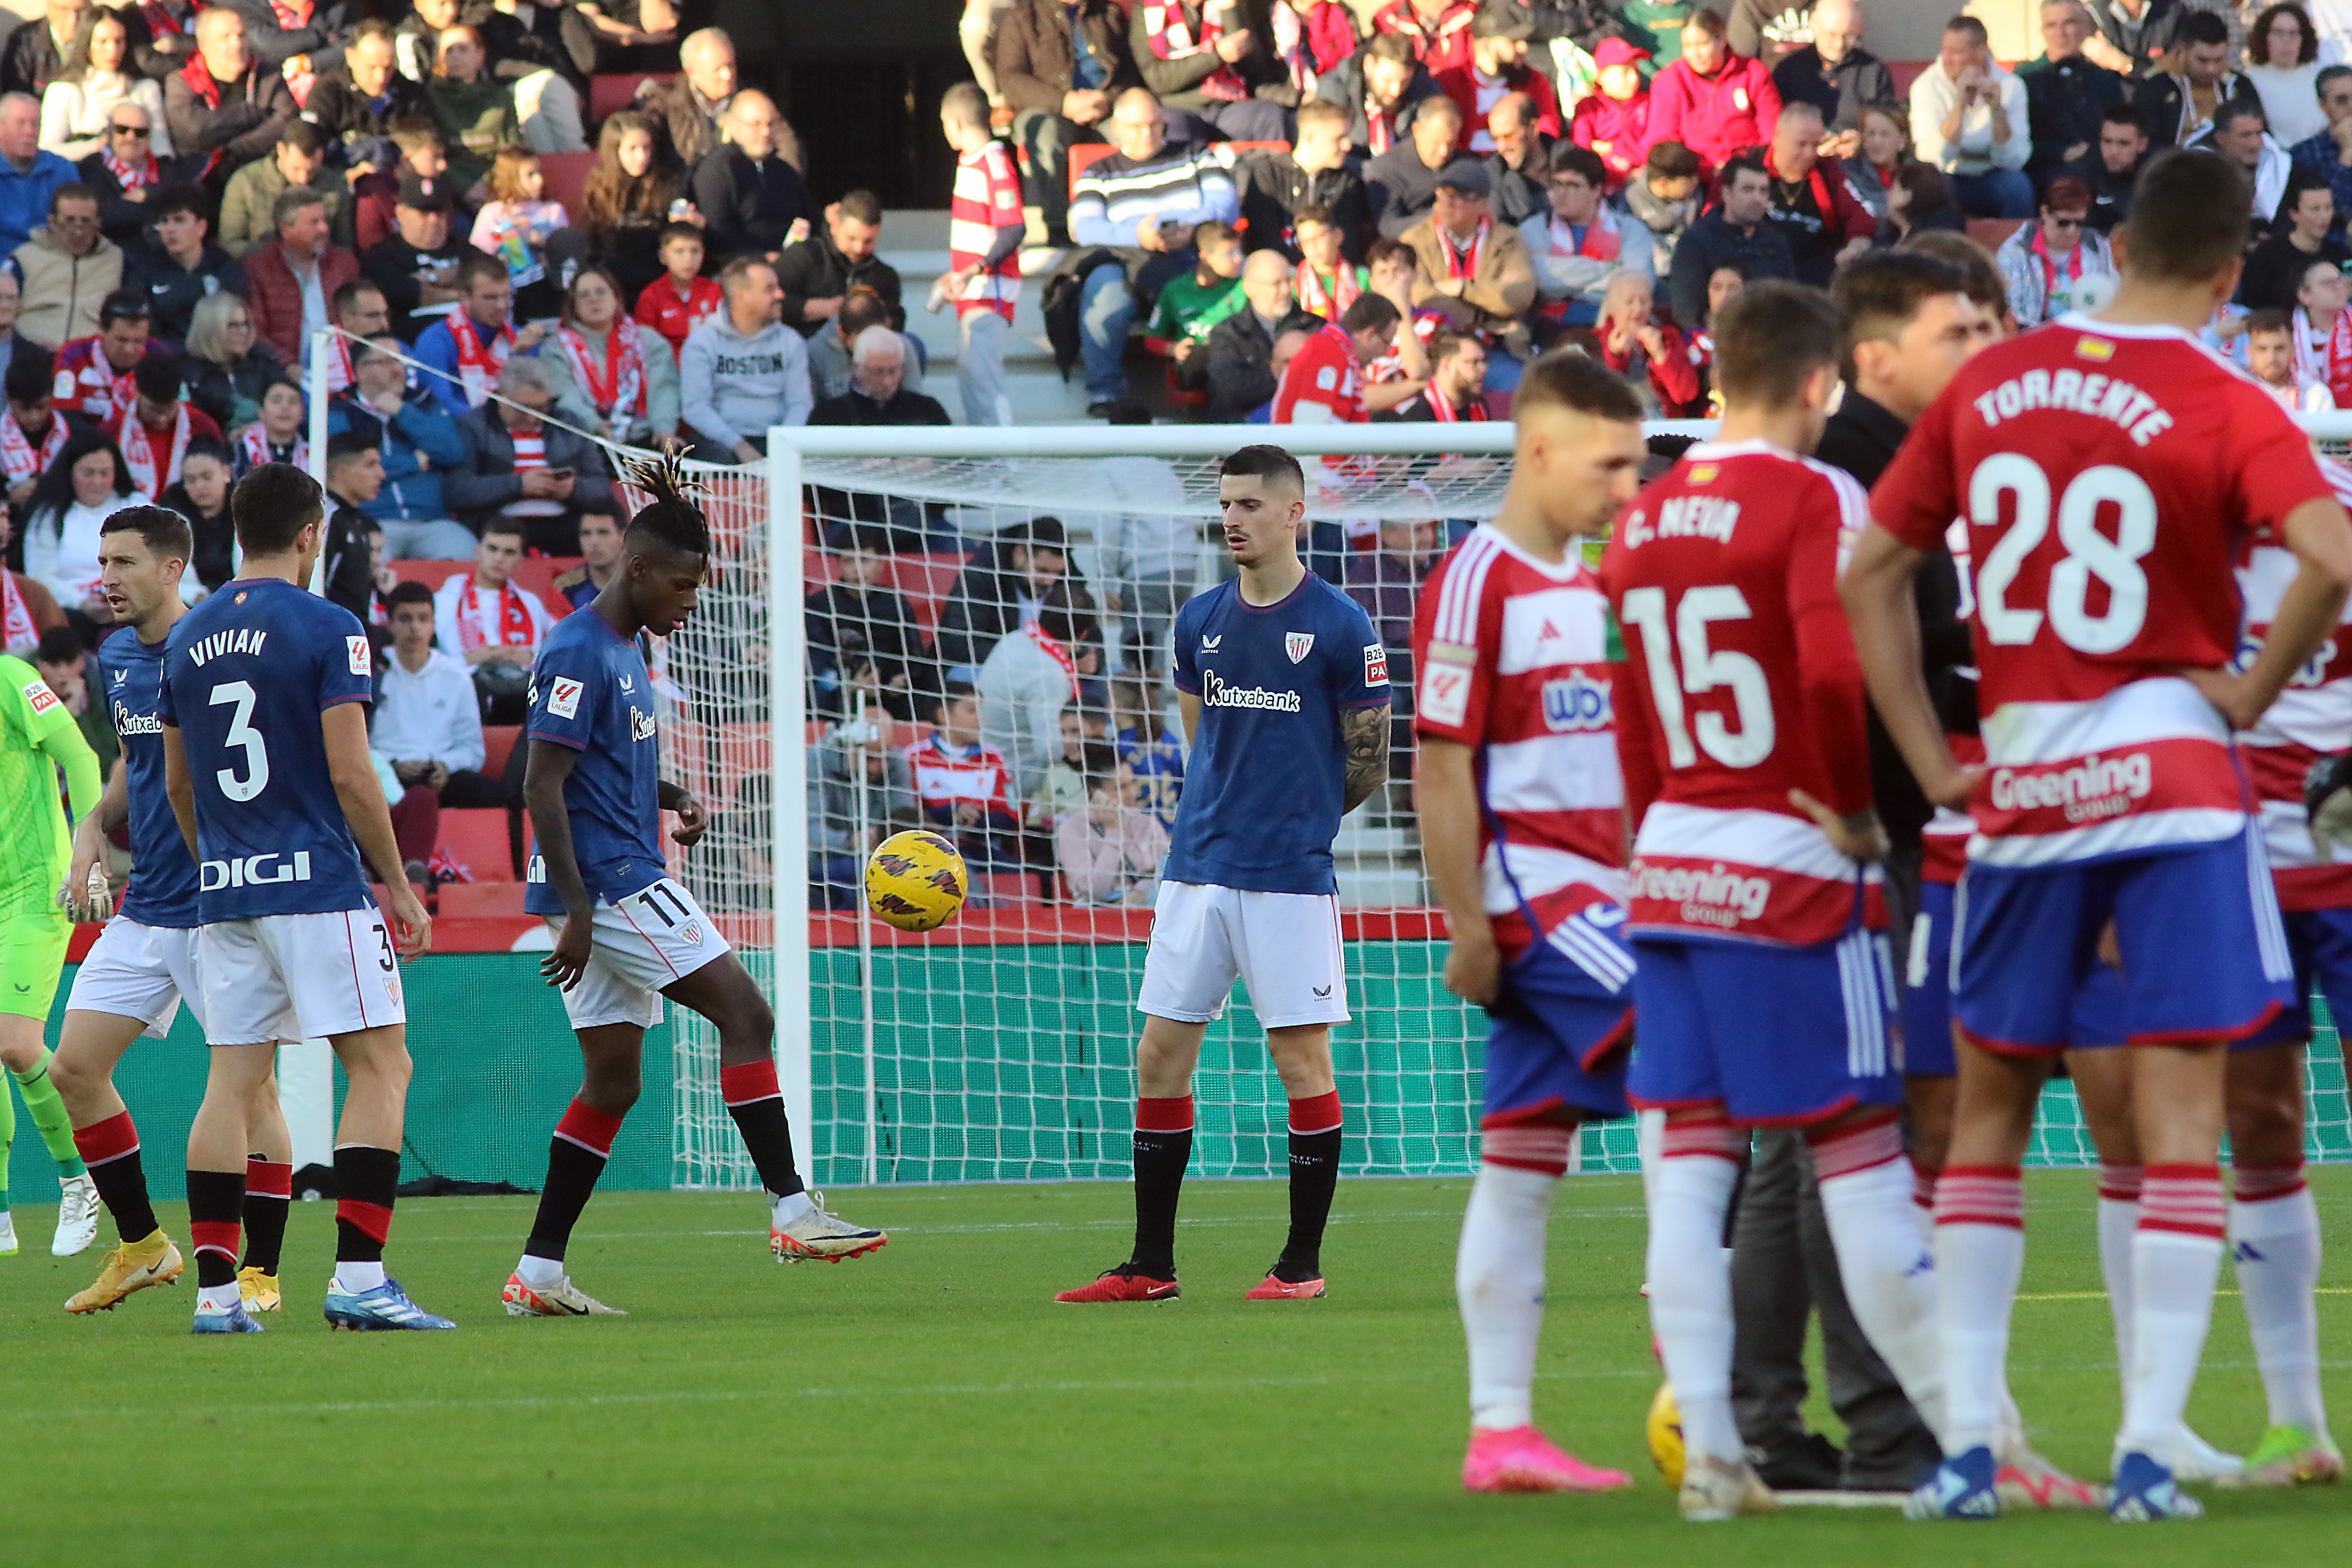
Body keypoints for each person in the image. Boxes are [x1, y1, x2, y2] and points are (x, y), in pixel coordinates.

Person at [1848, 147, 2352, 1519]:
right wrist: (2247, 689)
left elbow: (1869, 571)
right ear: (2233, 264)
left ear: (2116, 243)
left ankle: (1965, 1456)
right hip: (2176, 789)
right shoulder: (2224, 394)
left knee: (1990, 1119)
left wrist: (1925, 761)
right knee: (2182, 1116)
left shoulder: (1992, 384)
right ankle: (2145, 1450)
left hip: (2019, 790)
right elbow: (2333, 557)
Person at [1599, 281, 1947, 1522]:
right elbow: (1832, 660)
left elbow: (1630, 706)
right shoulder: (1816, 494)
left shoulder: (1643, 516)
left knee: (1695, 1172)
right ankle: (1960, 1442)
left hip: (1674, 862)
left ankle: (1722, 1462)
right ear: (1818, 384)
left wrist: (1654, 838)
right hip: (1790, 866)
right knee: (1860, 1157)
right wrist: (1847, 807)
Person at [1055, 443, 1386, 1304]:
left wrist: (1296, 818)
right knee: (1159, 1056)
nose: (1231, 519)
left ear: (1292, 514)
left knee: (1300, 1060)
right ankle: (1151, 1265)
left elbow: (1370, 764)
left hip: (1287, 877)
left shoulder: (1345, 626)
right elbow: (1202, 736)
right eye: (1225, 505)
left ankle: (1300, 1267)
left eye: (1247, 505)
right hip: (1195, 869)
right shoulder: (1200, 618)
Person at [1402, 349, 1644, 1492]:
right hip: (1540, 897)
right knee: (1698, 1042)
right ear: (1539, 450)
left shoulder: (1594, 587)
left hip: (1604, 886)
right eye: (1610, 466)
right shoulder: (1475, 577)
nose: (1625, 489)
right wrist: (1465, 920)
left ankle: (1500, 1430)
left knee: (1520, 1161)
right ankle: (1700, 1357)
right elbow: (1440, 764)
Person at [156, 462, 446, 1332]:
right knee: (382, 1066)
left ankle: (215, 1299)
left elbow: (178, 786)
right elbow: (356, 773)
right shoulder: (330, 625)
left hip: (225, 890)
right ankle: (360, 1281)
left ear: (236, 530)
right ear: (312, 534)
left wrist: (220, 865)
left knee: (232, 1083)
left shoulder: (186, 635)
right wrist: (398, 883)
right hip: (316, 885)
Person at [52, 505, 294, 1308]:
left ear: (170, 569)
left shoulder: (217, 650)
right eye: (103, 561)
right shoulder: (118, 652)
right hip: (145, 902)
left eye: (123, 563)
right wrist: (92, 825)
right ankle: (146, 1246)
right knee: (75, 1069)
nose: (107, 578)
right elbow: (136, 758)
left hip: (217, 909)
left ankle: (260, 1271)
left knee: (251, 1093)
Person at [0, 580, 101, 1257]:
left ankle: (79, 1181)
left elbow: (81, 756)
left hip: (38, 887)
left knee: (13, 1041)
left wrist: (88, 862)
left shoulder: (11, 676)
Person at [1067, 88, 1243, 415]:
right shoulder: (1099, 171)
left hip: (1193, 253)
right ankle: (1105, 392)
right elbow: (1084, 228)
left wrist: (1192, 227)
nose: (1147, 134)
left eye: (1155, 125)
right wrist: (1137, 236)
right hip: (1128, 260)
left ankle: (1232, 381)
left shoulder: (1195, 153)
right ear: (1117, 128)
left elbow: (1226, 204)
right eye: (1136, 127)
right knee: (1103, 291)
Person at [995, 0, 1140, 244]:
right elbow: (1010, 78)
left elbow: (1132, 71)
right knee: (1046, 136)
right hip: (1047, 109)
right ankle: (1059, 227)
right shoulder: (1023, 18)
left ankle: (1128, 221)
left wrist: (1108, 100)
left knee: (1135, 132)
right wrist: (1064, 102)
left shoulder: (1109, 14)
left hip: (1104, 109)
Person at [372, 577, 507, 832]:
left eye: (423, 619)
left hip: (441, 776)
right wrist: (394, 764)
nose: (415, 628)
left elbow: (472, 749)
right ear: (390, 624)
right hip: (386, 776)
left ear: (434, 624)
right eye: (405, 619)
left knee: (499, 795)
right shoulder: (374, 674)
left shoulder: (456, 677)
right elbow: (361, 743)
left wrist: (445, 766)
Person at [446, 357, 616, 557]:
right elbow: (459, 490)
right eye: (523, 409)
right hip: (498, 522)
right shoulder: (472, 426)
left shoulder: (569, 424)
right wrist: (519, 486)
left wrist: (572, 489)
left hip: (564, 520)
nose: (533, 418)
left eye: (541, 408)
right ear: (500, 396)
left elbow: (602, 488)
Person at [938, 81, 1023, 428]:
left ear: (955, 123)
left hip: (991, 292)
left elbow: (1014, 228)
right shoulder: (971, 161)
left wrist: (974, 269)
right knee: (971, 380)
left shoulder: (994, 162)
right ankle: (990, 469)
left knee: (984, 385)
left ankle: (1003, 472)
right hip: (974, 292)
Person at [1402, 161, 1534, 378]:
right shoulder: (1416, 240)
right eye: (1441, 195)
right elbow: (1419, 296)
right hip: (1440, 346)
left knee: (1514, 382)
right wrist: (1479, 315)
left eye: (1455, 199)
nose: (1445, 204)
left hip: (1496, 345)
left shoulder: (1507, 240)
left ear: (1482, 204)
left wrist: (1463, 288)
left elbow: (1519, 294)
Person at [679, 255, 807, 464]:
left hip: (779, 441)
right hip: (720, 443)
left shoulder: (791, 342)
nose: (781, 295)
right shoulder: (702, 342)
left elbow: (800, 403)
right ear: (741, 297)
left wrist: (782, 447)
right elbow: (695, 407)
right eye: (769, 289)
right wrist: (738, 445)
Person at [978, 580, 1098, 804]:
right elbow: (1050, 750)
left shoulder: (1014, 640)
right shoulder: (1050, 676)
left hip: (986, 765)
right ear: (1083, 635)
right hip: (1016, 777)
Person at [21, 427, 146, 628]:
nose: (97, 482)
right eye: (88, 473)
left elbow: (161, 558)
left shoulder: (137, 507)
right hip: (70, 615)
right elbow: (40, 577)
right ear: (70, 472)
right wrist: (82, 603)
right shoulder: (48, 517)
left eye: (104, 473)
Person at [540, 265, 676, 451]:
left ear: (617, 298)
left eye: (601, 292)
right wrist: (593, 424)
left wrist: (664, 428)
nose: (594, 300)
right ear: (573, 306)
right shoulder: (557, 348)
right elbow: (564, 395)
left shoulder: (648, 340)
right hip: (588, 439)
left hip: (646, 436)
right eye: (584, 295)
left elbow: (663, 388)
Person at [162, 7, 295, 194]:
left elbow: (287, 121)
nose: (237, 44)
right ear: (204, 44)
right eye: (226, 37)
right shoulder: (182, 81)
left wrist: (235, 151)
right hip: (200, 180)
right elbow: (194, 129)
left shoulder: (268, 74)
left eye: (242, 35)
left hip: (259, 173)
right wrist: (252, 114)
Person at [433, 517, 552, 722]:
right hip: (464, 685)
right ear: (478, 551)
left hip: (520, 684)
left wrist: (527, 656)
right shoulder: (445, 600)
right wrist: (473, 659)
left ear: (521, 561)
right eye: (493, 549)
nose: (499, 558)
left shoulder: (531, 603)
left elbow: (553, 650)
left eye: (509, 553)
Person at [558, 109, 681, 304]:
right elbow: (591, 239)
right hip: (614, 283)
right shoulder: (599, 189)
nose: (642, 157)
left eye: (646, 148)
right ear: (614, 151)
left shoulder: (666, 185)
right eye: (632, 149)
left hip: (658, 280)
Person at [1129, 0, 1291, 144]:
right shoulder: (1147, 11)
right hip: (1179, 107)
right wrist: (1216, 56)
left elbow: (1252, 68)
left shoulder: (1233, 6)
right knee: (1173, 130)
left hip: (1229, 104)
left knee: (1270, 117)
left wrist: (1230, 11)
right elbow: (1157, 79)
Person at [1667, 150, 1794, 332]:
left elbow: (1789, 305)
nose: (1758, 199)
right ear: (1727, 193)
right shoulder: (1696, 242)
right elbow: (1687, 312)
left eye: (1763, 191)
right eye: (1748, 190)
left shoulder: (1776, 242)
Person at [1647, 8, 1782, 177]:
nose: (1695, 55)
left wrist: (1751, 167)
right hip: (1693, 176)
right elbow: (1665, 140)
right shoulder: (1670, 80)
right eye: (1688, 46)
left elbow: (1772, 130)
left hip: (1749, 172)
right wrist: (1701, 171)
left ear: (1722, 39)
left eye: (1702, 45)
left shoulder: (1753, 73)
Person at [1236, 98, 1369, 263]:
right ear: (1311, 138)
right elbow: (1265, 239)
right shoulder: (1268, 175)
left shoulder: (1347, 182)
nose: (1348, 145)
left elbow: (1348, 243)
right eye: (1339, 138)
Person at [691, 91, 816, 264]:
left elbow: (809, 216)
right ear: (733, 125)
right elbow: (718, 232)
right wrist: (760, 258)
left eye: (770, 124)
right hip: (737, 269)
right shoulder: (718, 170)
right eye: (756, 125)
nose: (766, 132)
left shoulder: (783, 170)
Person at [413, 251, 546, 412]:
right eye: (490, 298)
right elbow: (441, 409)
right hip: (463, 432)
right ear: (465, 297)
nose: (501, 306)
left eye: (506, 296)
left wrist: (519, 359)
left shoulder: (521, 340)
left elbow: (538, 404)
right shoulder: (436, 340)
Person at [1760, 99, 1874, 286]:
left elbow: (1862, 219)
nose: (1809, 154)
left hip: (1814, 274)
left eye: (1815, 145)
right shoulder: (1750, 168)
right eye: (1801, 145)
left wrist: (1856, 245)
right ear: (1777, 137)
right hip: (1758, 267)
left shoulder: (1829, 174)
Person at [241, 187, 359, 367]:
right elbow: (255, 332)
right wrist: (287, 367)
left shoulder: (343, 264)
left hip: (343, 368)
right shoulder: (258, 269)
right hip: (281, 372)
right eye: (314, 222)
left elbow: (359, 320)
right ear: (286, 230)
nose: (324, 228)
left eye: (324, 220)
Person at [907, 681, 1020, 867]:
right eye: (971, 711)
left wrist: (975, 822)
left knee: (1027, 878)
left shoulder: (994, 758)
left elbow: (1010, 814)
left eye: (981, 711)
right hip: (927, 855)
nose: (979, 718)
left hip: (982, 853)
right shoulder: (914, 757)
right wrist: (953, 812)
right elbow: (906, 817)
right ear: (943, 715)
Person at [40, 8, 172, 164]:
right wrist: (95, 146)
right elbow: (47, 151)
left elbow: (161, 149)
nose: (112, 51)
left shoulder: (145, 89)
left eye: (119, 41)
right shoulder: (64, 90)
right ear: (87, 45)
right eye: (103, 42)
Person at [1523, 144, 1633, 330]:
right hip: (1548, 330)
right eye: (1557, 184)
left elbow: (1635, 285)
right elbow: (1542, 279)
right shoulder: (1535, 228)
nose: (1561, 193)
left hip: (1612, 329)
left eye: (1573, 185)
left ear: (1597, 191)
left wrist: (1567, 285)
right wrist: (1609, 271)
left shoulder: (1628, 229)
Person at [2018, 0, 2128, 183]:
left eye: (2069, 23)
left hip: (2102, 172)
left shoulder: (2105, 80)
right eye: (2052, 26)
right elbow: (2015, 145)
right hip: (2044, 174)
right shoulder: (2023, 81)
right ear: (2043, 32)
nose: (2061, 34)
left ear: (2085, 28)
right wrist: (2063, 152)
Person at [1203, 247, 1318, 420]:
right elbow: (1229, 387)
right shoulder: (1228, 333)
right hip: (1243, 429)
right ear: (1249, 288)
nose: (1286, 290)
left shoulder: (1315, 326)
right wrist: (1277, 374)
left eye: (1289, 281)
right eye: (1276, 284)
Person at [123, 184, 244, 345]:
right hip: (166, 359)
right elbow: (143, 326)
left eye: (179, 220)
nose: (170, 229)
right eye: (164, 221)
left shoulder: (224, 267)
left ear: (202, 227)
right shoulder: (144, 269)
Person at [301, 17, 426, 169]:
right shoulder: (327, 93)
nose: (381, 78)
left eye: (388, 68)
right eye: (372, 67)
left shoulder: (410, 93)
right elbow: (312, 150)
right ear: (351, 57)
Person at [1994, 173, 2114, 329]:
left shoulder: (2098, 249)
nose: (2072, 231)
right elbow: (2011, 313)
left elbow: (2111, 299)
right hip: (2034, 337)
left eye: (2079, 223)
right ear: (2045, 213)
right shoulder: (2014, 253)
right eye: (2063, 223)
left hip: (2087, 335)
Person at [358, 170, 465, 343]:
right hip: (412, 344)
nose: (433, 220)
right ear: (400, 213)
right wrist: (457, 286)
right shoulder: (382, 257)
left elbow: (486, 288)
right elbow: (401, 295)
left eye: (439, 213)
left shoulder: (467, 250)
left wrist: (425, 279)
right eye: (424, 213)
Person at [777, 191, 901, 340]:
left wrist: (875, 315)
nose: (859, 248)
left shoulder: (885, 275)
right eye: (852, 238)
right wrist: (823, 309)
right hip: (805, 340)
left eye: (868, 241)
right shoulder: (803, 255)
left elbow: (897, 318)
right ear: (835, 226)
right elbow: (772, 304)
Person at [12, 180, 119, 348]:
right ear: (52, 221)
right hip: (33, 353)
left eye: (87, 222)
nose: (78, 231)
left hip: (90, 359)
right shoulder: (23, 258)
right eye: (69, 221)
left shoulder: (116, 260)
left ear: (98, 224)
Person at [1435, 17, 1560, 158]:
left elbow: (1548, 130)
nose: (1523, 48)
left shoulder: (1534, 82)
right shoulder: (1450, 82)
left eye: (1524, 41)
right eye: (1513, 41)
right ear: (1487, 44)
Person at [217, 117, 341, 258]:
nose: (303, 178)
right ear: (282, 150)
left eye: (312, 171)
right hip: (261, 269)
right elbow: (230, 244)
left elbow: (345, 246)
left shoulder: (334, 185)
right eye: (296, 169)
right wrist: (280, 252)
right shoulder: (246, 182)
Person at [2135, 8, 2259, 148]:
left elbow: (2261, 135)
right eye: (2202, 60)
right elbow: (2146, 144)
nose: (2211, 69)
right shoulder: (2156, 87)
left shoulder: (2240, 86)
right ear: (2183, 50)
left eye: (2218, 60)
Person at [105, 350, 220, 497]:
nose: (162, 419)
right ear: (136, 392)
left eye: (169, 409)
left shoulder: (203, 427)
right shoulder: (115, 430)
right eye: (154, 411)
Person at [1771, 0, 1894, 138]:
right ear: (1814, 25)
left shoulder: (1874, 72)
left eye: (1848, 36)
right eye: (1831, 35)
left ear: (1859, 28)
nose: (1839, 45)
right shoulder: (1788, 71)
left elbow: (1887, 128)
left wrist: (1861, 143)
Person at [469, 143, 565, 318]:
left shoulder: (553, 211)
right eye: (530, 175)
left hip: (548, 285)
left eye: (539, 173)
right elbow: (478, 256)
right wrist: (509, 235)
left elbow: (566, 251)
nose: (540, 181)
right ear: (510, 178)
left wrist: (539, 240)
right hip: (509, 286)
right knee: (509, 231)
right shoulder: (493, 212)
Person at [1317, 27, 1443, 158]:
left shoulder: (1427, 91)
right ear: (1368, 65)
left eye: (1404, 81)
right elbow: (1327, 150)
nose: (1396, 91)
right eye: (1387, 80)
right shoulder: (1334, 89)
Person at [632, 25, 743, 172]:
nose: (728, 75)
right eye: (718, 69)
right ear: (691, 73)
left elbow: (781, 146)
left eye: (731, 66)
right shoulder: (664, 104)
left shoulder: (750, 103)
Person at [422, 24, 516, 197]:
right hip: (450, 189)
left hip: (497, 187)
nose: (456, 57)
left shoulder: (500, 98)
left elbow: (513, 151)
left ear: (480, 55)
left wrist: (495, 187)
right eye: (449, 51)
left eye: (463, 49)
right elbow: (430, 154)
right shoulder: (429, 98)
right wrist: (465, 188)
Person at [1056, 765, 1169, 906]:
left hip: (1147, 903)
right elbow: (1094, 892)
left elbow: (1167, 877)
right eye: (1121, 788)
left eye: (1133, 784)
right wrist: (1114, 830)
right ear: (1095, 794)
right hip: (1100, 912)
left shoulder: (1147, 824)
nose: (1133, 794)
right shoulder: (1073, 828)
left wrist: (1140, 891)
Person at [1364, 90, 1470, 239]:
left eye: (1451, 143)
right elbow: (1389, 227)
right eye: (1436, 143)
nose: (1444, 151)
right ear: (1417, 130)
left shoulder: (1464, 164)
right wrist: (1439, 218)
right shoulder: (1385, 169)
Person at [808, 328, 951, 435]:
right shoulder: (829, 417)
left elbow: (961, 465)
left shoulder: (928, 411)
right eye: (878, 372)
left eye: (893, 371)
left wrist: (931, 465)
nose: (888, 382)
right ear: (858, 368)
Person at [180, 291, 280, 431]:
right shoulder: (190, 373)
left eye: (246, 324)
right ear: (210, 328)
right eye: (233, 325)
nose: (243, 331)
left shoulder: (264, 362)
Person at [2243, 177, 2347, 309]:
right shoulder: (2268, 254)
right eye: (2315, 209)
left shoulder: (2340, 254)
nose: (2324, 216)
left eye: (2328, 208)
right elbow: (2252, 303)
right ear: (2294, 214)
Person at [1569, 36, 1652, 192]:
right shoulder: (1588, 109)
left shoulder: (1649, 104)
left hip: (1643, 184)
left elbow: (1651, 151)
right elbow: (1582, 153)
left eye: (1636, 71)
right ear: (1601, 78)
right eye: (1626, 72)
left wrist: (1610, 148)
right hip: (1600, 187)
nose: (1634, 79)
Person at [75, 100, 161, 246]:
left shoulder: (165, 168)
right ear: (109, 133)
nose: (131, 137)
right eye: (122, 130)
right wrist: (157, 208)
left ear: (149, 138)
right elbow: (104, 217)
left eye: (140, 133)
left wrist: (147, 193)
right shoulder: (91, 168)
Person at [632, 220, 721, 362]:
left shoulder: (714, 291)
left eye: (695, 251)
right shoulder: (651, 296)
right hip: (668, 370)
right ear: (663, 257)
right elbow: (644, 342)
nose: (689, 259)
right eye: (679, 252)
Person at [2246, 3, 2330, 149]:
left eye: (2293, 33)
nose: (2286, 40)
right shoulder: (2249, 80)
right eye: (2278, 33)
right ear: (2265, 37)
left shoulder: (2320, 79)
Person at [0, 90, 74, 254]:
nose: (30, 131)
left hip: (52, 260)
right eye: (20, 123)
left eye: (35, 124)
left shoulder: (61, 169)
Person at [2207, 100, 2296, 235]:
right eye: (2245, 136)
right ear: (2220, 138)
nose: (2255, 144)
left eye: (2259, 134)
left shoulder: (2281, 167)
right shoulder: (2199, 171)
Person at [159, 434, 235, 590]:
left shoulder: (244, 507)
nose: (200, 486)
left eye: (207, 477)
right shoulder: (172, 512)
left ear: (226, 473)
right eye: (191, 480)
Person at [2066, 99, 2150, 231]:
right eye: (2107, 142)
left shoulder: (2155, 180)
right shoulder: (2079, 175)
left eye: (2124, 144)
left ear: (2142, 145)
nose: (2113, 152)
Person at [1374, 324, 1488, 419]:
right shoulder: (1418, 418)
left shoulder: (1480, 409)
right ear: (1447, 365)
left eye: (1484, 361)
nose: (1484, 368)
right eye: (1474, 362)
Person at [2287, 62, 2352, 218]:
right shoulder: (2303, 155)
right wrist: (2348, 155)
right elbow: (2327, 214)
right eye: (2342, 101)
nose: (2351, 106)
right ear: (2323, 105)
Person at [2248, 304, 2339, 408]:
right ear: (2250, 352)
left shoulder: (2316, 395)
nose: (2271, 358)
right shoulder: (2235, 392)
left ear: (2293, 350)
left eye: (2280, 348)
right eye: (2262, 349)